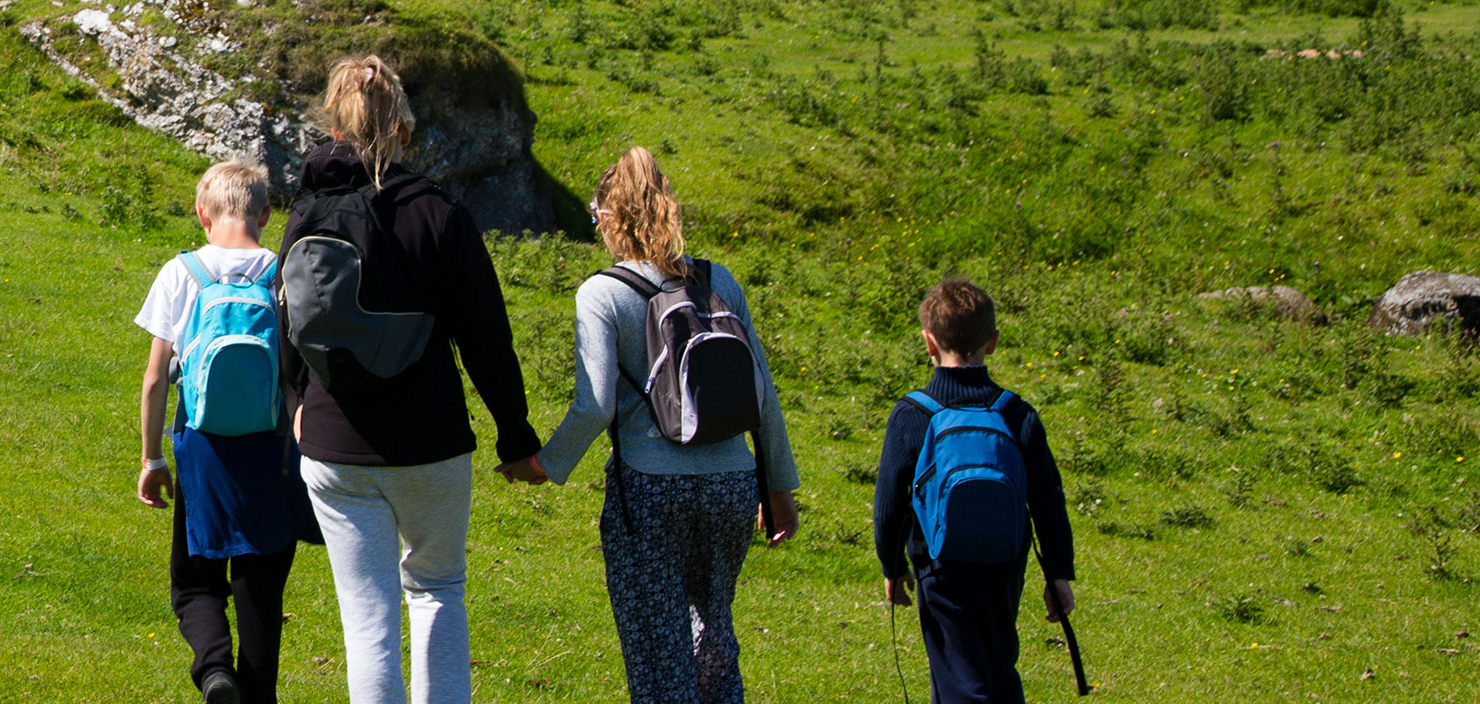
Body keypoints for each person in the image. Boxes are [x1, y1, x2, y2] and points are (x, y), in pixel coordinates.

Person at [282, 55, 546, 704]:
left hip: (332, 445)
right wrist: (516, 437)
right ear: (402, 126)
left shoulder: (307, 212)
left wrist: (295, 402)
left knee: (366, 621)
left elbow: (285, 319)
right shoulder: (438, 213)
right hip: (429, 442)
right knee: (436, 592)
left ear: (333, 125)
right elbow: (487, 337)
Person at [507, 148, 802, 704]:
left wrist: (547, 464)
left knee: (658, 651)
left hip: (648, 489)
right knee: (713, 640)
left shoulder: (603, 293)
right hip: (732, 485)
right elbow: (763, 395)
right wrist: (778, 488)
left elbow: (595, 406)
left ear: (611, 217)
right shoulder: (721, 282)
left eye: (597, 219)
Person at [135, 161, 324, 704]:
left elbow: (154, 381)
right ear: (266, 214)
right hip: (271, 452)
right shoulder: (282, 273)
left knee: (195, 580)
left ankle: (215, 670)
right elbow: (297, 381)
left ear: (201, 214)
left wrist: (152, 461)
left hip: (201, 450)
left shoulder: (183, 272)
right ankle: (258, 693)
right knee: (262, 590)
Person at [874, 278, 1078, 704]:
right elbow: (1047, 499)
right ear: (993, 342)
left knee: (959, 677)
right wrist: (1058, 571)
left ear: (929, 343)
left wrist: (893, 567)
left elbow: (890, 502)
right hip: (1005, 562)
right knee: (998, 667)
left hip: (939, 564)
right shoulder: (1016, 413)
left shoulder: (913, 414)